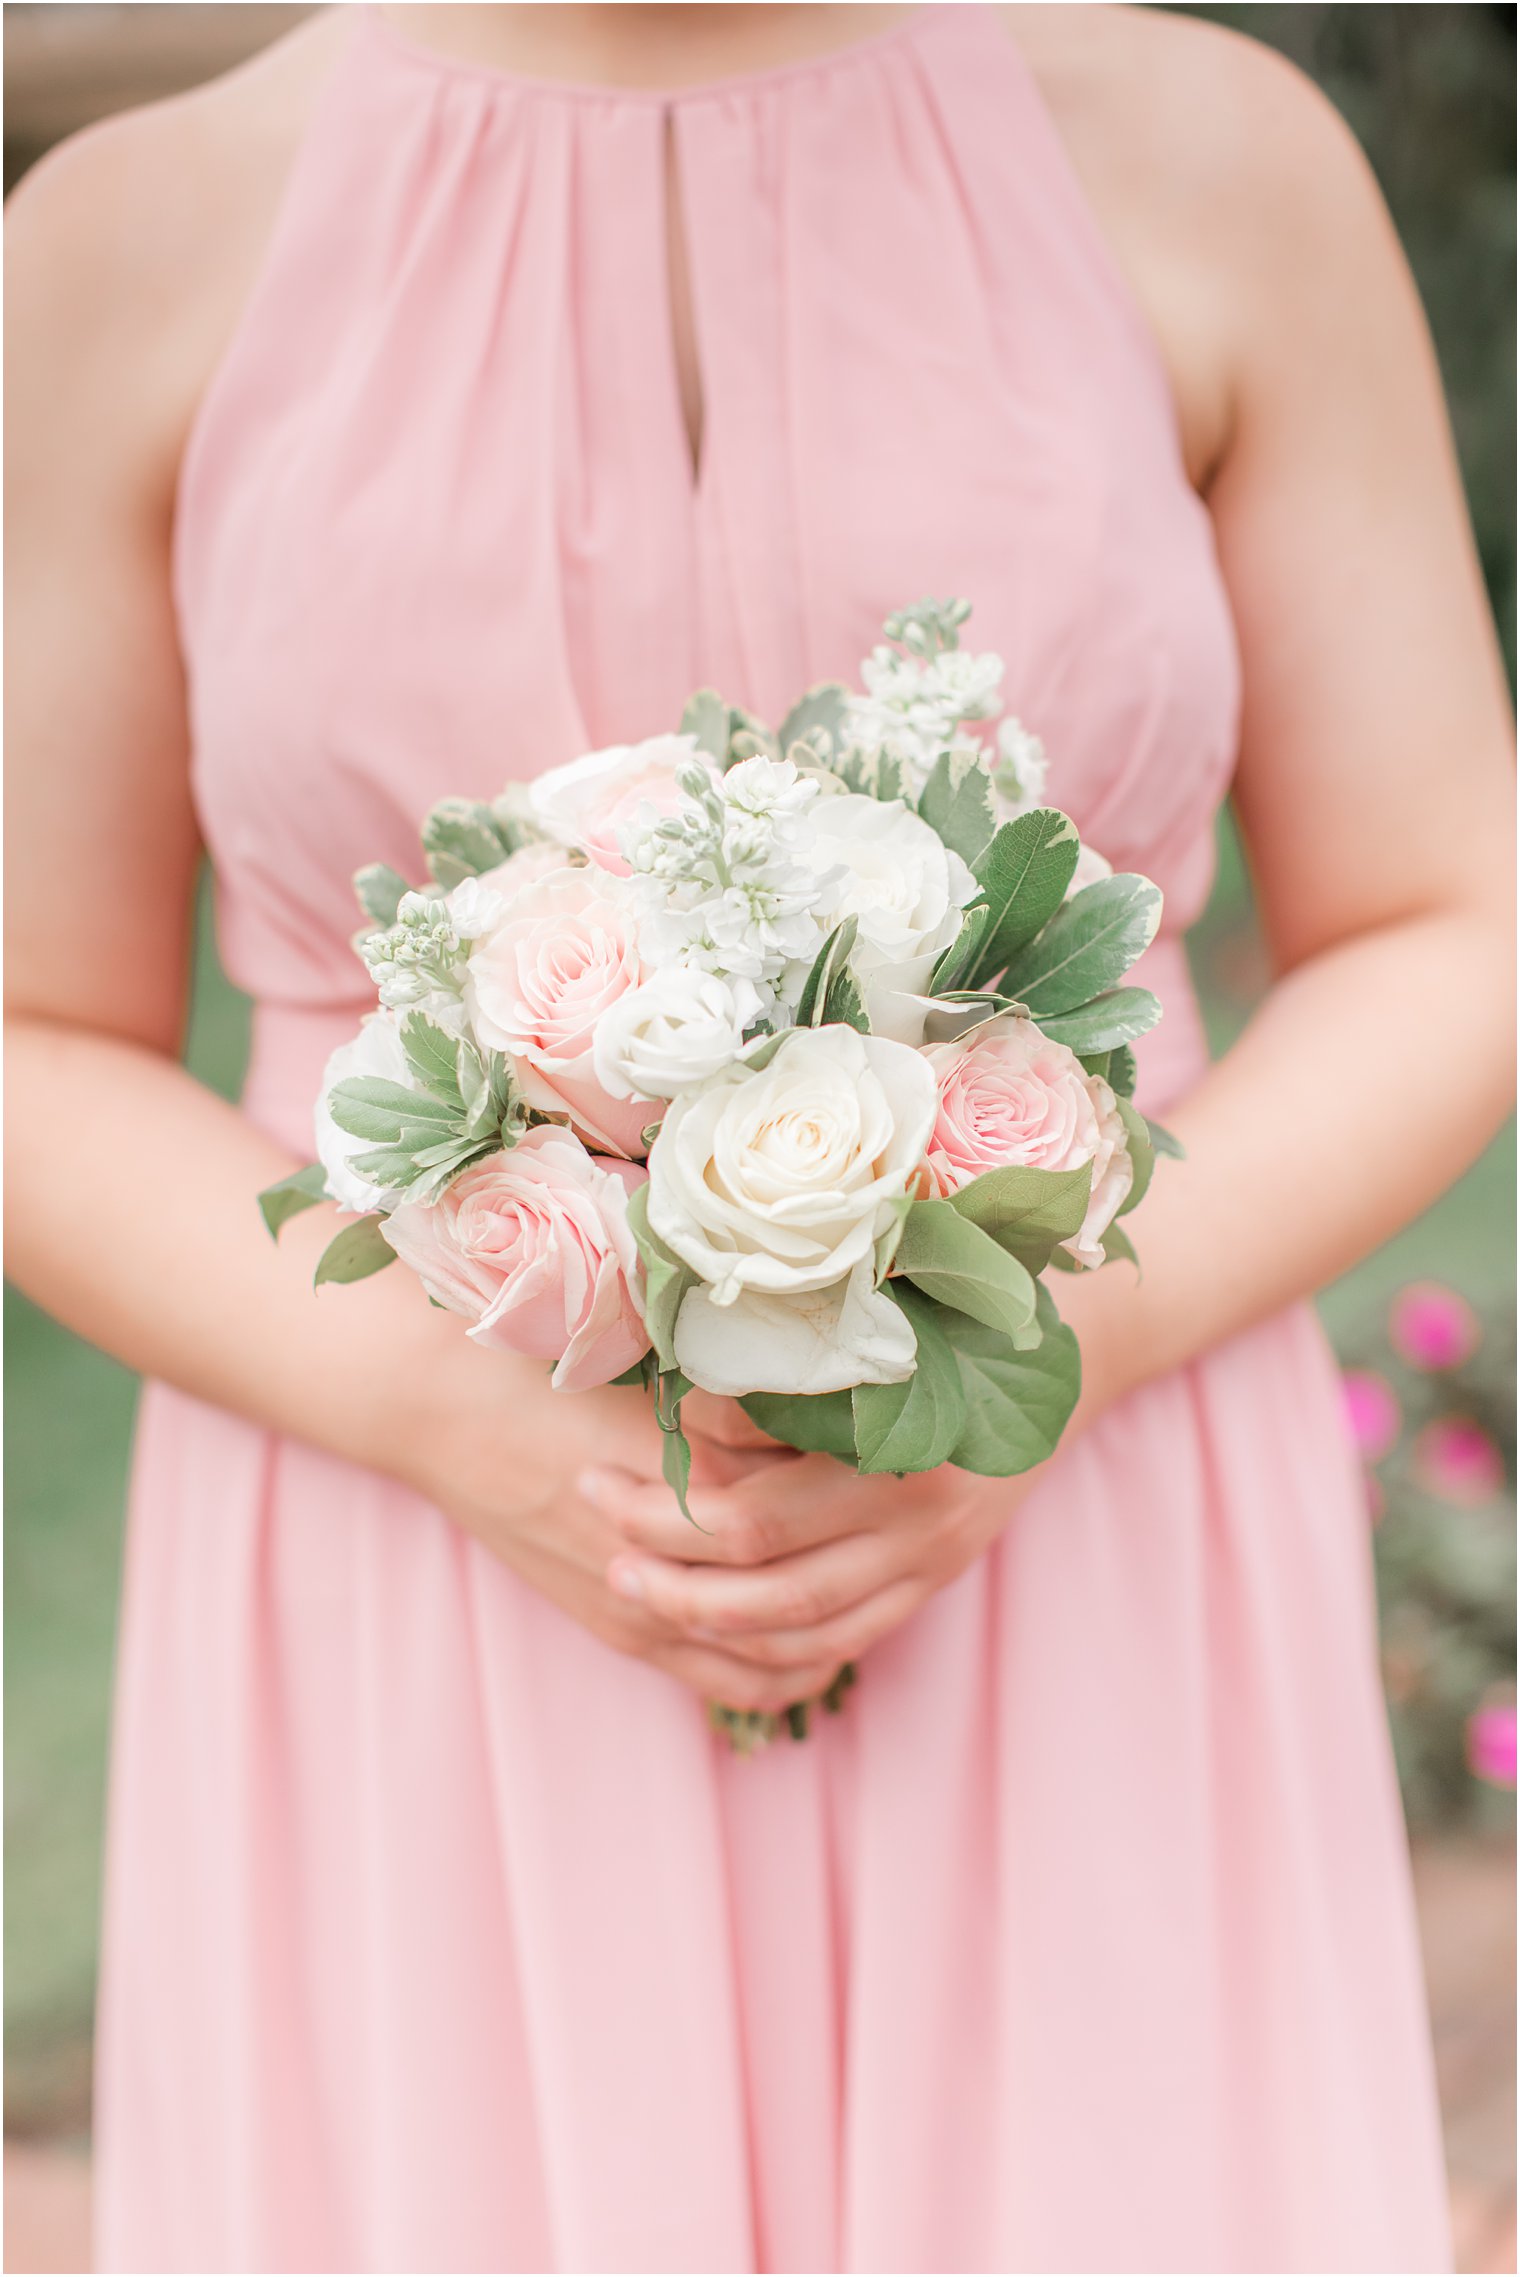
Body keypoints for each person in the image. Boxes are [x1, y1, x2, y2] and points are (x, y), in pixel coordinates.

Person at [7, 5, 1513, 2269]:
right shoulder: (129, 237)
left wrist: (1060, 1346)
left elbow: (1447, 909)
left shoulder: (1217, 156)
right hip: (443, 1583)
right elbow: (28, 1027)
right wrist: (454, 1416)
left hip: (1060, 1544)